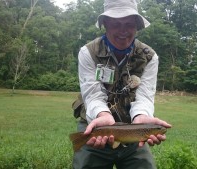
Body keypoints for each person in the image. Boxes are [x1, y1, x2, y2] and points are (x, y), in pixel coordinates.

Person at [72, 0, 172, 168]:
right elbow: (93, 95)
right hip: (95, 125)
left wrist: (141, 117)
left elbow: (144, 97)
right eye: (116, 24)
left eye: (129, 24)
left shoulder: (149, 57)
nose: (123, 30)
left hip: (133, 129)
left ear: (137, 26)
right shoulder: (88, 52)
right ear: (105, 24)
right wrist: (103, 116)